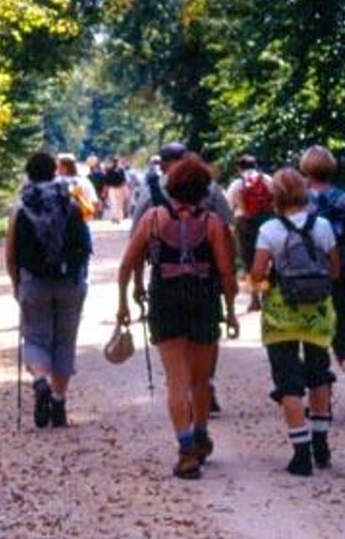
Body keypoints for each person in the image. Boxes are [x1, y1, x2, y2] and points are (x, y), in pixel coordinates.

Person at [117, 156, 239, 479]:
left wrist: (124, 304)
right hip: (203, 300)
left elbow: (127, 264)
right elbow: (226, 272)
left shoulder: (154, 218)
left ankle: (186, 450)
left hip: (165, 298)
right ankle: (200, 435)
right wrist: (231, 311)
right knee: (201, 380)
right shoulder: (213, 222)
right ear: (203, 189)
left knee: (176, 380)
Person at [131, 142, 235, 415]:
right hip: (206, 274)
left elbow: (136, 240)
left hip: (164, 277)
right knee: (205, 336)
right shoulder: (209, 188)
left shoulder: (151, 191)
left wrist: (137, 281)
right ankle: (205, 384)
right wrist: (230, 282)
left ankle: (186, 422)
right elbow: (227, 227)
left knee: (175, 345)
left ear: (163, 163)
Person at [250, 168, 339, 476]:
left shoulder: (269, 230)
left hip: (281, 315)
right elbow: (336, 270)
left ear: (275, 195)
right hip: (317, 314)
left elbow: (258, 274)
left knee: (288, 384)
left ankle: (301, 455)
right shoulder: (324, 226)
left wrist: (261, 288)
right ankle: (321, 441)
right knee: (318, 376)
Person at [5, 151, 92, 428]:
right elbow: (86, 245)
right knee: (64, 342)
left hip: (34, 281)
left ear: (28, 174)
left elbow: (11, 254)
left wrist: (17, 284)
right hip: (70, 280)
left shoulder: (20, 207)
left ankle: (40, 381)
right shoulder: (71, 201)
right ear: (55, 171)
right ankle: (58, 402)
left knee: (34, 339)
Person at [301, 145, 345, 429]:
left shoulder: (300, 200)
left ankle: (321, 401)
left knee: (314, 340)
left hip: (308, 279)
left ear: (305, 169)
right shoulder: (344, 199)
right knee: (343, 337)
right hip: (342, 276)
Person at [226, 155, 274, 311]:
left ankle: (254, 300)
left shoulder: (237, 184)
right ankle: (266, 295)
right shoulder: (267, 179)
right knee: (266, 259)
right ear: (256, 166)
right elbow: (276, 200)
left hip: (244, 223)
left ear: (239, 168)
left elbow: (228, 207)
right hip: (266, 222)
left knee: (249, 261)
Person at [57, 152, 99, 221]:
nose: (57, 169)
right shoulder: (84, 180)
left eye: (58, 166)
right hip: (82, 221)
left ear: (64, 168)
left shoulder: (57, 183)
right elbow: (95, 202)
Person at [103, 158, 129, 223]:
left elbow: (106, 181)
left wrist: (105, 191)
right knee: (118, 203)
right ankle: (117, 217)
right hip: (118, 188)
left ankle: (115, 217)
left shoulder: (110, 170)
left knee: (114, 203)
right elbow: (124, 181)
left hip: (114, 188)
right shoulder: (120, 170)